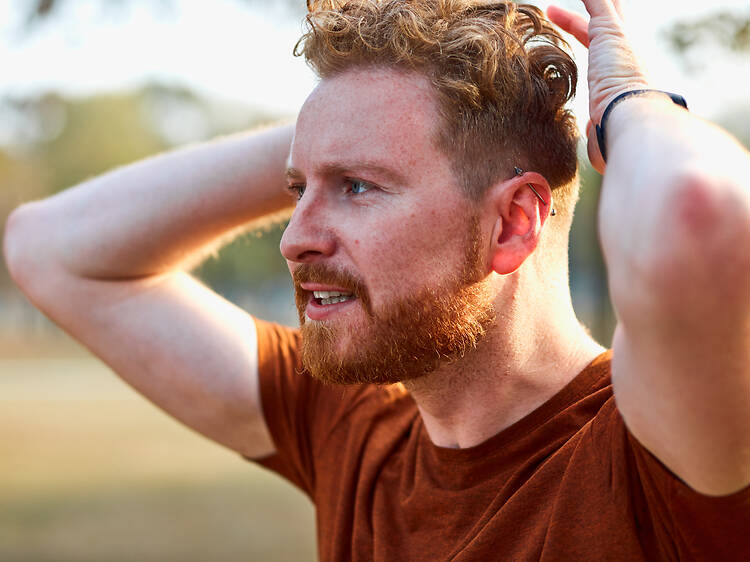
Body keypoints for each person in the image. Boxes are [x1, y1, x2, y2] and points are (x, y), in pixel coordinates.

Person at [4, 0, 749, 559]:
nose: (294, 238)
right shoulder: (353, 427)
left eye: (357, 187)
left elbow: (702, 216)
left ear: (514, 222)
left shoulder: (659, 454)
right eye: (298, 189)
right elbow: (47, 249)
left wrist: (627, 101)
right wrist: (354, 120)